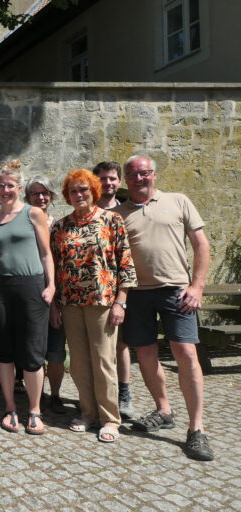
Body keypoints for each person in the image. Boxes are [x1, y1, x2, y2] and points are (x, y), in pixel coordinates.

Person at [114, 155, 214, 461]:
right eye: (132, 174)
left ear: (153, 175)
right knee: (144, 354)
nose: (139, 179)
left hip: (175, 291)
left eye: (144, 173)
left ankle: (196, 429)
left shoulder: (178, 201)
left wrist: (197, 286)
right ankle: (163, 408)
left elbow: (201, 245)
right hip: (137, 295)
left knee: (186, 354)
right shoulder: (118, 214)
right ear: (125, 180)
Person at [50, 169, 137, 443]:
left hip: (102, 301)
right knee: (78, 363)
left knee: (103, 361)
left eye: (83, 190)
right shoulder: (61, 227)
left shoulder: (111, 220)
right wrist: (55, 304)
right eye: (74, 191)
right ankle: (87, 413)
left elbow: (125, 262)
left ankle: (110, 418)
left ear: (94, 191)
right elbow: (54, 268)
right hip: (71, 302)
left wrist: (121, 302)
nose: (79, 195)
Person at [0, 160, 54, 436]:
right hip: (0, 288)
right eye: (0, 186)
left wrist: (51, 286)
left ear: (19, 188)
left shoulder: (33, 213)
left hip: (31, 287)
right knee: (4, 351)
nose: (4, 190)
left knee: (32, 351)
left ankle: (35, 410)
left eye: (10, 186)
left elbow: (46, 253)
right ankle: (10, 408)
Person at [92, 161, 135, 419]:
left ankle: (124, 392)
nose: (108, 183)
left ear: (119, 181)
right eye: (103, 179)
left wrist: (123, 296)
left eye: (112, 179)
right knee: (100, 346)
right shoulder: (89, 208)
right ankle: (98, 395)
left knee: (121, 343)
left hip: (124, 285)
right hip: (99, 290)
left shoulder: (126, 210)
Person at [24, 175, 67, 415]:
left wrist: (55, 300)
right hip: (33, 292)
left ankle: (56, 394)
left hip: (57, 293)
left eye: (44, 193)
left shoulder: (60, 225)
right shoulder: (24, 222)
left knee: (56, 350)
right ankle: (33, 393)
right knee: (34, 347)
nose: (40, 197)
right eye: (35, 194)